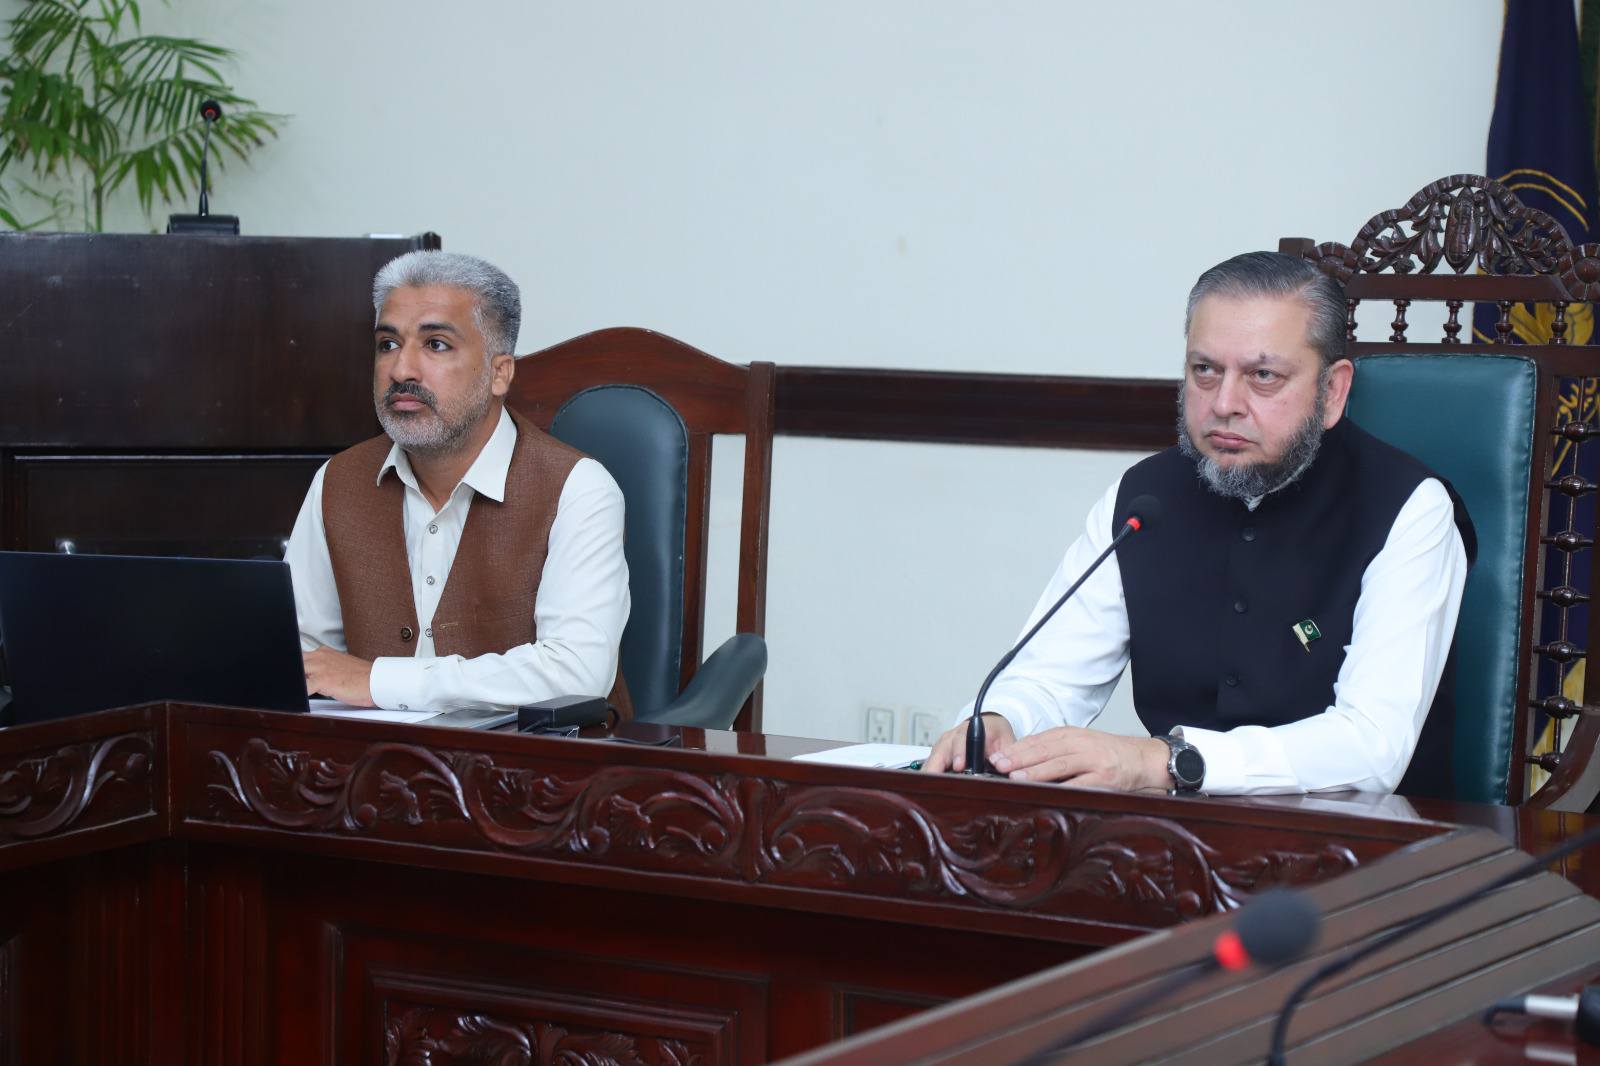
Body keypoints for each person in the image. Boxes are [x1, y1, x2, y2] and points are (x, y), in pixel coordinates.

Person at [923, 251, 1472, 796]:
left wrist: (1168, 761)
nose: (1224, 403)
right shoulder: (1143, 500)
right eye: (1205, 370)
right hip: (1177, 837)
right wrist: (1001, 721)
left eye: (1263, 376)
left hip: (1367, 842)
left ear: (1332, 392)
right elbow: (1049, 677)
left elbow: (1371, 747)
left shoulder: (1409, 509)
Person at [283, 250, 632, 715]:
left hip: (534, 758)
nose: (401, 370)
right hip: (371, 756)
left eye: (436, 344)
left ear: (499, 373)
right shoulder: (338, 481)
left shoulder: (578, 489)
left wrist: (379, 681)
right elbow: (300, 655)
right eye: (388, 344)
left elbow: (576, 674)